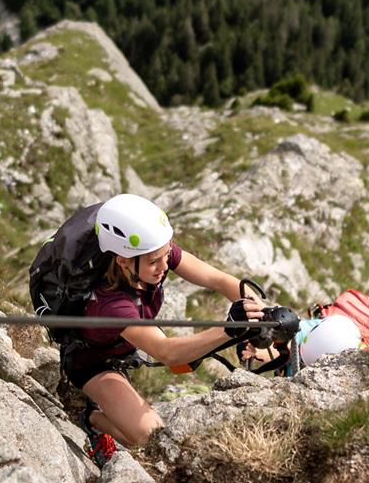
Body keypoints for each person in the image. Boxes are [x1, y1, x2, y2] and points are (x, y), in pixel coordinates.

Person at [57, 193, 267, 464]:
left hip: (122, 349)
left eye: (166, 255)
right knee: (152, 438)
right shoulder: (109, 304)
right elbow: (165, 352)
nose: (164, 266)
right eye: (155, 261)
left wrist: (257, 307)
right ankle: (92, 417)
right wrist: (229, 329)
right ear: (122, 260)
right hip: (92, 364)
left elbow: (219, 279)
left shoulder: (149, 256)